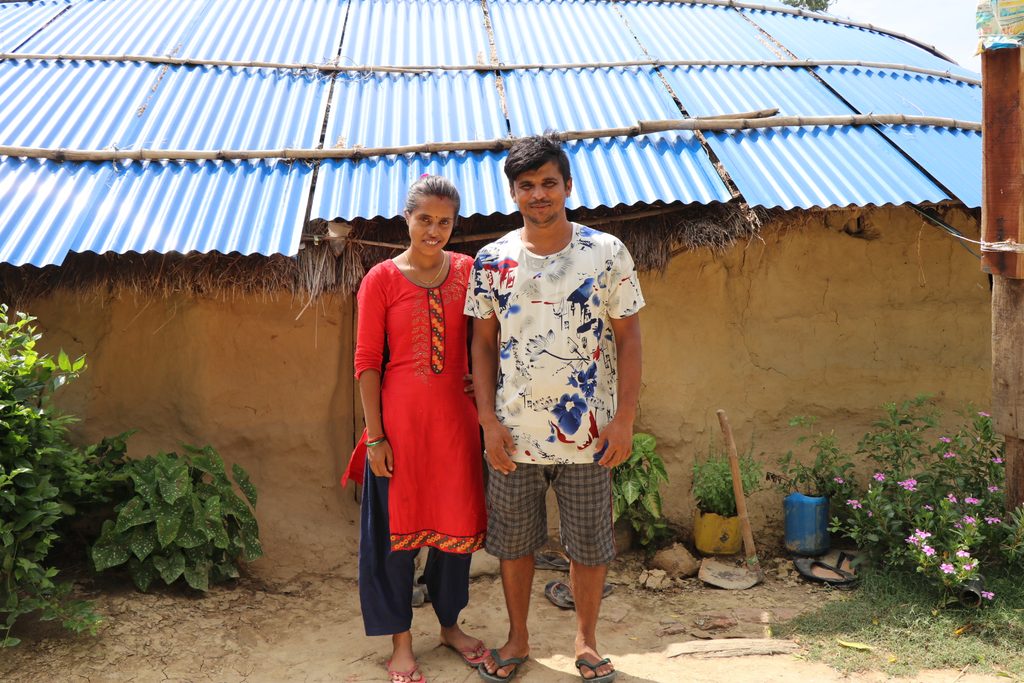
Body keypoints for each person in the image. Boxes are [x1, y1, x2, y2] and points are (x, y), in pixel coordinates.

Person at [465, 135, 644, 683]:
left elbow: (630, 337)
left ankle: (586, 643)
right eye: (527, 186)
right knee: (514, 544)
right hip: (515, 435)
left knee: (589, 544)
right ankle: (517, 639)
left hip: (590, 435)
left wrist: (624, 419)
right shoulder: (492, 260)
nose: (538, 194)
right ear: (513, 193)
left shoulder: (606, 252)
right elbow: (482, 344)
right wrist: (488, 422)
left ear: (568, 186)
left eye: (548, 183)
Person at [345, 175, 488, 683]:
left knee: (456, 531)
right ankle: (401, 643)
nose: (434, 230)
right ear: (407, 218)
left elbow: (487, 340)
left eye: (444, 221)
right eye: (424, 219)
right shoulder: (380, 279)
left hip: (456, 426)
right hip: (398, 430)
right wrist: (375, 437)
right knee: (394, 539)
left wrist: (481, 381)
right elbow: (366, 362)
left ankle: (450, 626)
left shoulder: (470, 273)